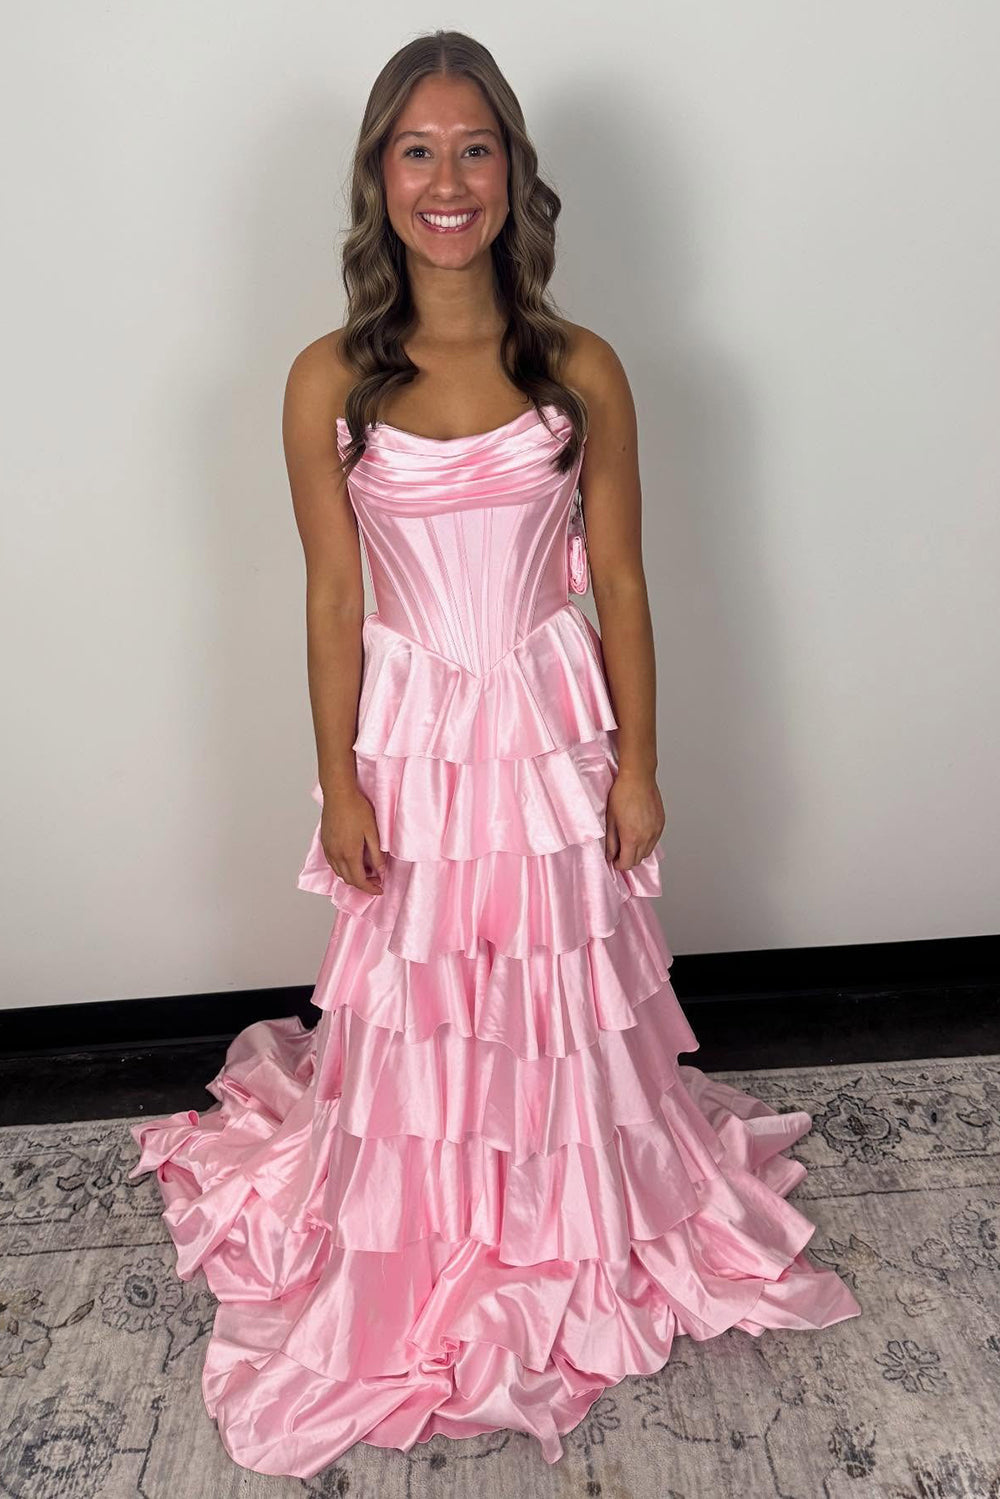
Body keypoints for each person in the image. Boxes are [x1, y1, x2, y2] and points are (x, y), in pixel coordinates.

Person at [129, 29, 861, 1480]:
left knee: (556, 980)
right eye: (418, 151)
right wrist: (340, 781)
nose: (447, 180)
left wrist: (639, 764)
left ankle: (568, 1209)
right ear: (379, 177)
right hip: (413, 741)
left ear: (515, 173)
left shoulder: (580, 368)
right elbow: (331, 598)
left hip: (544, 733)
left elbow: (623, 582)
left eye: (475, 149)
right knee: (424, 999)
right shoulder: (327, 378)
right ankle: (429, 1222)